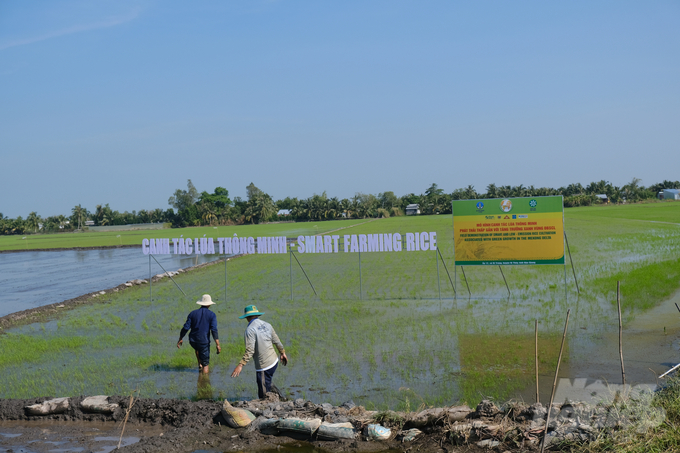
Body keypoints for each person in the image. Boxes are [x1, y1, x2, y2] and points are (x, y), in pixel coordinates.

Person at [231, 304, 288, 399]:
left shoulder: (250, 330)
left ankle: (270, 405)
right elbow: (277, 341)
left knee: (263, 395)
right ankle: (281, 398)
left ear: (247, 317)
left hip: (264, 366)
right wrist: (282, 353)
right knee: (267, 381)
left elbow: (250, 350)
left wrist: (240, 365)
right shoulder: (267, 325)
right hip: (274, 362)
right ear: (257, 315)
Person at [177, 294, 221, 374]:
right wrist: (217, 344)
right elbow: (214, 330)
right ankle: (204, 380)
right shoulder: (212, 315)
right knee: (206, 364)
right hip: (203, 341)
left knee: (198, 349)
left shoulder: (192, 313)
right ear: (209, 304)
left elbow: (186, 328)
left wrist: (180, 338)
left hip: (192, 340)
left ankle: (199, 364)